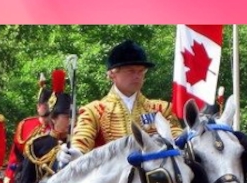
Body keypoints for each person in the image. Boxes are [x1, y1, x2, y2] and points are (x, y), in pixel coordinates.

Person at [58, 39, 181, 167]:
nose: (137, 76)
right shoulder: (94, 111)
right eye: (131, 71)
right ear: (112, 74)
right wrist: (75, 153)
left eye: (141, 71)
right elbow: (82, 140)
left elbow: (177, 138)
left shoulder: (161, 108)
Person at [3, 70, 64, 183]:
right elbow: (15, 154)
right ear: (38, 106)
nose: (46, 107)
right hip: (25, 174)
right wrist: (9, 175)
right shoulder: (26, 124)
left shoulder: (60, 128)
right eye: (43, 105)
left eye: (49, 106)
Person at [9, 91, 72, 183]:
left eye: (74, 116)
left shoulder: (78, 145)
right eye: (67, 117)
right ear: (54, 118)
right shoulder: (36, 146)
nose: (71, 121)